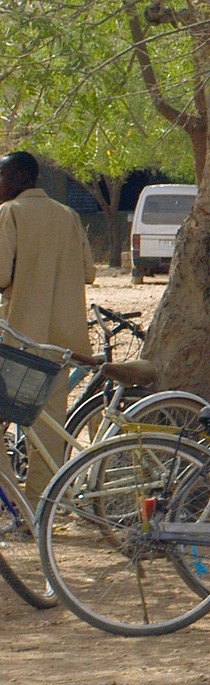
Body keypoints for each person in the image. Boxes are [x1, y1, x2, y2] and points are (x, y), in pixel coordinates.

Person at [0, 152, 95, 498]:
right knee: (48, 429)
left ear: (20, 178)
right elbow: (89, 272)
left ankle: (11, 500)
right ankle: (40, 502)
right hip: (64, 343)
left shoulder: (10, 213)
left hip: (21, 342)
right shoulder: (67, 215)